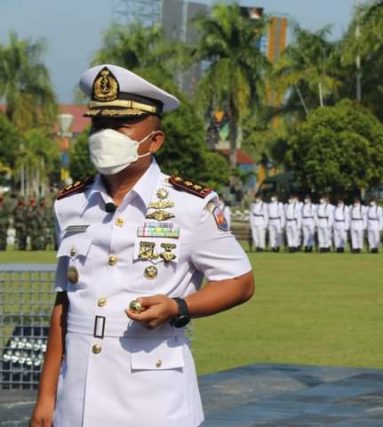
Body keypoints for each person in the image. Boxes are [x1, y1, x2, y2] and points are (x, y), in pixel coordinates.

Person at [30, 64, 255, 427]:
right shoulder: (70, 204)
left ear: (155, 141)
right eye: (99, 125)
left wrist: (178, 306)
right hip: (79, 398)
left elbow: (240, 282)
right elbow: (63, 303)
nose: (106, 136)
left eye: (120, 126)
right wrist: (47, 396)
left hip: (153, 399)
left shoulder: (190, 205)